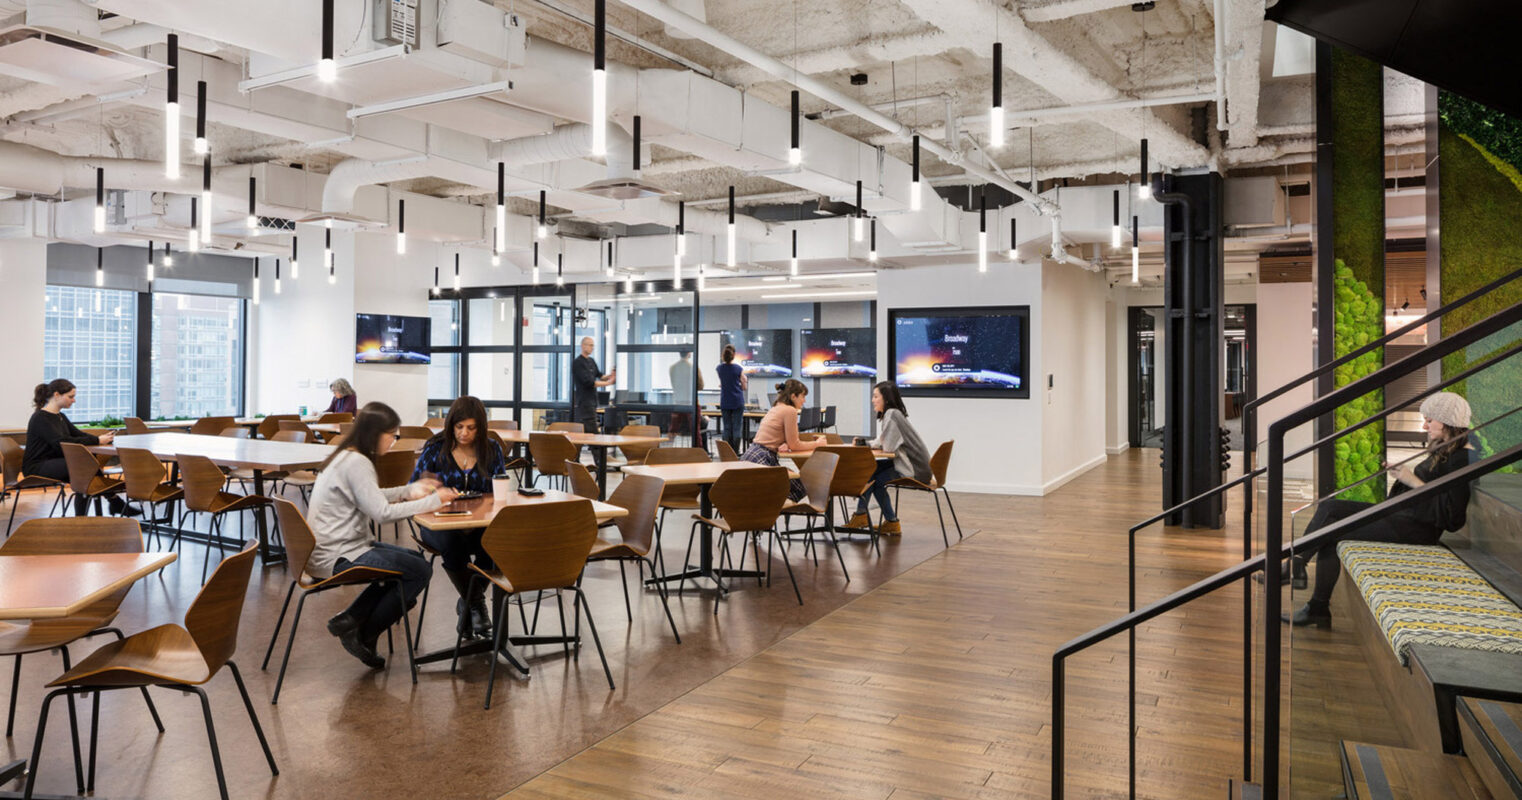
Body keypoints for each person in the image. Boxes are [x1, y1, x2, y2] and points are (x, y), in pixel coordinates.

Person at [1282, 392, 1476, 628]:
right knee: (1330, 507)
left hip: (1416, 530)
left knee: (1331, 533)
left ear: (1447, 423)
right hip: (1402, 516)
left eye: (1429, 420)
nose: (1424, 425)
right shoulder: (1447, 449)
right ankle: (1300, 566)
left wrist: (1412, 480)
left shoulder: (1462, 458)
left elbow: (1453, 517)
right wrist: (1402, 476)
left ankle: (1314, 602)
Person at [308, 401, 457, 668]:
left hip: (332, 547)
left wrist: (408, 491)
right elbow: (382, 514)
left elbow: (369, 498)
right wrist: (434, 500)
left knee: (411, 561)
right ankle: (364, 633)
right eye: (392, 435)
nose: (394, 441)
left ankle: (351, 618)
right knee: (420, 571)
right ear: (376, 433)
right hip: (339, 554)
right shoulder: (357, 463)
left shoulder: (343, 455)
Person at [411, 396, 509, 639]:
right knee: (452, 542)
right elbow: (413, 488)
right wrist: (430, 490)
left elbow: (501, 485)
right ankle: (475, 603)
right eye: (459, 427)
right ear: (451, 425)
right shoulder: (436, 449)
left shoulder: (492, 449)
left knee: (498, 543)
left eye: (471, 428)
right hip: (439, 526)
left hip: (479, 524)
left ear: (481, 427)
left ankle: (468, 603)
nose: (464, 433)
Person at [23, 379, 131, 517]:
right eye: (70, 397)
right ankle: (114, 502)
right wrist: (97, 440)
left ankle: (96, 511)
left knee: (84, 473)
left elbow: (78, 434)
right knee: (83, 469)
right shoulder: (40, 418)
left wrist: (102, 438)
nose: (73, 400)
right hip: (36, 466)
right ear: (56, 395)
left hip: (54, 462)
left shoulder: (60, 416)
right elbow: (61, 442)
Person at [846, 382, 932, 536]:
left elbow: (888, 448)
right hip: (912, 466)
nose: (873, 400)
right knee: (870, 470)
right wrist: (864, 443)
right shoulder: (893, 414)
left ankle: (865, 517)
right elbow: (882, 440)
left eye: (875, 396)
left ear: (886, 399)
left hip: (914, 470)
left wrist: (869, 445)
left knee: (876, 479)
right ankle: (880, 520)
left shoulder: (892, 414)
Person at [741, 379, 826, 500]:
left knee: (783, 488)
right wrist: (817, 444)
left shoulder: (776, 407)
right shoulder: (790, 410)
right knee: (799, 486)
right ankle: (772, 512)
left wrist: (785, 442)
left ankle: (770, 514)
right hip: (764, 459)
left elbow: (781, 437)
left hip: (752, 455)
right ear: (793, 396)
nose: (804, 400)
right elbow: (795, 445)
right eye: (803, 396)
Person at [571, 336, 615, 434]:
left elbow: (600, 376)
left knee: (591, 428)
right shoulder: (578, 363)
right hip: (584, 402)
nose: (592, 348)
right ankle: (596, 448)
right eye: (590, 345)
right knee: (592, 429)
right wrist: (608, 383)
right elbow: (589, 383)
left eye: (593, 346)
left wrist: (611, 376)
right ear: (583, 346)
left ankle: (593, 447)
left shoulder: (591, 361)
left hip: (593, 400)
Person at [717, 345, 748, 451]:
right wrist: (744, 381)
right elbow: (744, 387)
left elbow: (723, 383)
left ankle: (727, 451)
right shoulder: (739, 369)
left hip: (725, 401)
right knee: (737, 427)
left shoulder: (719, 368)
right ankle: (735, 451)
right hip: (737, 401)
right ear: (733, 355)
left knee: (726, 427)